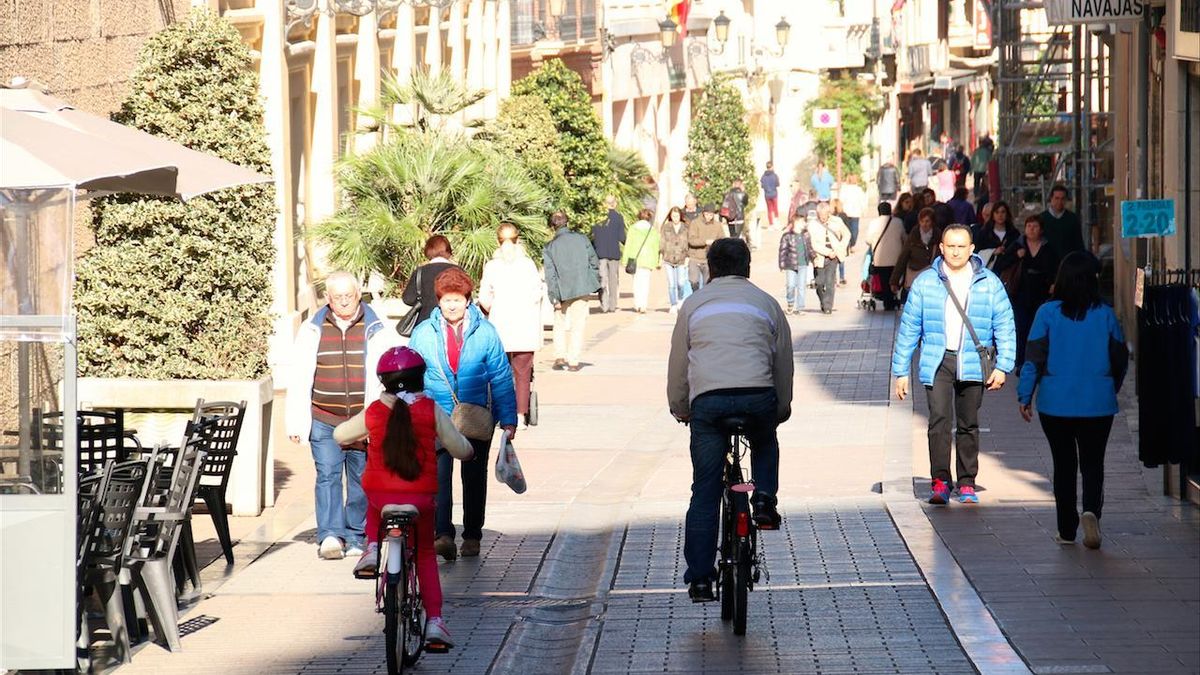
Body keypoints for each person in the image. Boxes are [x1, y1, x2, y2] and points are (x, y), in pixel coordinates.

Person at [667, 238, 794, 602]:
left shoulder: (693, 305)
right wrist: (780, 407)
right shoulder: (767, 304)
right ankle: (765, 499)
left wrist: (680, 405)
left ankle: (702, 579)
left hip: (708, 403)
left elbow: (679, 363)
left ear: (710, 268)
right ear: (747, 267)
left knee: (704, 491)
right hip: (757, 396)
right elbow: (782, 361)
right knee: (765, 440)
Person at [332, 347, 473, 647]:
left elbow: (340, 435)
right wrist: (469, 450)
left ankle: (371, 548)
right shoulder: (431, 410)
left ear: (383, 381)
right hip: (420, 500)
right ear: (420, 378)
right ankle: (434, 621)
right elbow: (459, 447)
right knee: (423, 556)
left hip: (382, 499)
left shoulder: (374, 412)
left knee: (372, 496)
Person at [892, 224, 1017, 505]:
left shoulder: (989, 282)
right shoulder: (926, 282)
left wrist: (1003, 365)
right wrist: (900, 371)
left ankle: (967, 482)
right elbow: (909, 327)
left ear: (972, 249)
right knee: (938, 421)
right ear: (942, 247)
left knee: (968, 423)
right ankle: (940, 481)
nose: (956, 251)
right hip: (938, 360)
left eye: (962, 246)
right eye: (950, 246)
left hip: (973, 360)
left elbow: (1005, 324)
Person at [285, 271, 400, 560]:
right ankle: (330, 535)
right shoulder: (313, 329)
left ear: (359, 294)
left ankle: (356, 534)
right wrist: (296, 421)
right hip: (324, 416)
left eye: (349, 295)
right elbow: (299, 376)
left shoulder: (378, 327)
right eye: (338, 297)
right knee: (328, 475)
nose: (344, 302)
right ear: (328, 299)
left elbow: (389, 376)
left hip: (363, 419)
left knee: (361, 478)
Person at [1018, 252, 1127, 549]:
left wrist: (1025, 395)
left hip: (1055, 403)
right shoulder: (1105, 314)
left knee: (1063, 464)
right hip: (1098, 402)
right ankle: (1091, 511)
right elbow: (1120, 358)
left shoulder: (1047, 313)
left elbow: (1033, 359)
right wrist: (1109, 387)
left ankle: (1066, 529)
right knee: (1093, 462)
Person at [408, 268, 518, 561]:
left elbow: (501, 376)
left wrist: (509, 418)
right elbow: (412, 376)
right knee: (438, 476)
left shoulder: (486, 333)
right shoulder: (422, 333)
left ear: (468, 300)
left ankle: (472, 535)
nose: (452, 305)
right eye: (446, 300)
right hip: (437, 415)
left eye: (457, 299)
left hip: (475, 414)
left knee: (473, 477)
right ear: (439, 301)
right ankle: (443, 533)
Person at [478, 223, 543, 427]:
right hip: (525, 326)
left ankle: (502, 415)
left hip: (500, 326)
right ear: (518, 239)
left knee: (500, 373)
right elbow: (537, 294)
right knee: (523, 373)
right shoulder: (528, 265)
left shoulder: (492, 266)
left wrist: (493, 310)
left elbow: (484, 298)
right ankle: (521, 415)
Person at [543, 211, 600, 372]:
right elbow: (593, 261)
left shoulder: (550, 247)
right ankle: (573, 360)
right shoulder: (582, 239)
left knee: (559, 323)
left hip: (561, 291)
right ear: (567, 222)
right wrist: (591, 281)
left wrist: (554, 297)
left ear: (553, 226)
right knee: (578, 325)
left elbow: (550, 274)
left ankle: (560, 355)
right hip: (582, 287)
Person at [1001, 215, 1059, 368]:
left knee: (1041, 327)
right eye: (1029, 226)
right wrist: (1015, 256)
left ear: (1041, 229)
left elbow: (1055, 267)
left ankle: (1041, 361)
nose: (1032, 230)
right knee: (1022, 327)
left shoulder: (1048, 247)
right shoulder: (1018, 245)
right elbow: (1003, 264)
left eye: (1035, 226)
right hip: (1021, 292)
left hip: (1042, 293)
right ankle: (1021, 362)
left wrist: (1053, 283)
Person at [402, 235, 464, 327]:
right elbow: (467, 298)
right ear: (448, 251)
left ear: (428, 251)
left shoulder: (420, 272)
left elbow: (408, 299)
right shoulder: (458, 271)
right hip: (452, 324)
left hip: (425, 324)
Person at [808, 202, 851, 314]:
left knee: (830, 281)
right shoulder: (813, 224)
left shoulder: (837, 221)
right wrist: (827, 252)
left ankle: (828, 306)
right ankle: (823, 301)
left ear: (828, 213)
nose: (822, 217)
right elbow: (813, 244)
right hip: (819, 257)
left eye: (824, 214)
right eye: (820, 215)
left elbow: (847, 234)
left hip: (834, 256)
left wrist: (840, 248)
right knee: (819, 282)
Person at [891, 208, 941, 299]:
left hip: (932, 278)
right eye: (922, 221)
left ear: (932, 222)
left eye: (927, 221)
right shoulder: (913, 236)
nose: (924, 224)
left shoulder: (938, 236)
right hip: (915, 276)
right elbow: (903, 258)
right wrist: (894, 280)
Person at [865, 202, 905, 311]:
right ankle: (892, 298)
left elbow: (868, 240)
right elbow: (904, 238)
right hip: (896, 258)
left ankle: (888, 302)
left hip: (880, 259)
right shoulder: (898, 222)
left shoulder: (874, 223)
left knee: (884, 281)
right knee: (894, 280)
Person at [592, 195, 626, 313]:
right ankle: (612, 305)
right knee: (613, 279)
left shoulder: (597, 218)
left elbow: (592, 235)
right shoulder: (618, 217)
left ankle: (604, 304)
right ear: (615, 203)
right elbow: (622, 237)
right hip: (614, 253)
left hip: (600, 253)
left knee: (602, 279)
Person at [625, 208, 661, 313]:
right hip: (648, 259)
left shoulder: (633, 229)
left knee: (636, 283)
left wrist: (625, 259)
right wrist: (657, 261)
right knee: (645, 283)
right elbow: (656, 247)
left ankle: (637, 304)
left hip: (635, 258)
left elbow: (628, 245)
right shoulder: (653, 230)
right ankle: (643, 305)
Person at [660, 206, 692, 313]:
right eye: (673, 216)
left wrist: (688, 256)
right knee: (671, 283)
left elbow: (688, 243)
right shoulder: (666, 227)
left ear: (680, 216)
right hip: (668, 258)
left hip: (682, 258)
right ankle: (673, 304)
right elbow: (662, 242)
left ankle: (680, 299)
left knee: (680, 283)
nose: (675, 218)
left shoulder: (686, 227)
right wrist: (660, 257)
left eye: (677, 216)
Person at [1040, 185, 1085, 259]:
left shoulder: (1072, 218)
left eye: (1062, 199)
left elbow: (1078, 243)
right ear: (1051, 199)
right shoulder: (1041, 218)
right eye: (1056, 198)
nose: (1059, 202)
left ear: (1066, 200)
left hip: (1067, 262)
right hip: (1047, 262)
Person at [687, 204, 725, 291]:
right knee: (694, 281)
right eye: (707, 214)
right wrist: (705, 242)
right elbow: (691, 240)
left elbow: (722, 240)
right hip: (695, 258)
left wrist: (715, 244)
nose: (709, 217)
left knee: (707, 284)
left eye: (711, 215)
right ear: (703, 213)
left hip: (709, 259)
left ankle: (705, 301)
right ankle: (696, 297)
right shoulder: (695, 223)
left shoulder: (717, 225)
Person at [972, 199, 1019, 270]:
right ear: (993, 215)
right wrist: (993, 252)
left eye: (1003, 212)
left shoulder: (1014, 233)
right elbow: (977, 252)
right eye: (997, 212)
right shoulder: (984, 233)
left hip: (1010, 272)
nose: (1000, 215)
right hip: (990, 270)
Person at [778, 215, 809, 314]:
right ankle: (790, 302)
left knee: (801, 286)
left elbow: (809, 248)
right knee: (790, 285)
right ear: (797, 223)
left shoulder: (806, 235)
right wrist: (782, 264)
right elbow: (783, 251)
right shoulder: (787, 236)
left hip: (803, 264)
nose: (805, 224)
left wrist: (814, 258)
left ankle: (800, 307)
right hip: (790, 264)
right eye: (803, 222)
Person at [831, 197, 853, 286]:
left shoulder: (831, 217)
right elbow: (848, 229)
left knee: (834, 261)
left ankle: (835, 279)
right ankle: (842, 277)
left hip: (833, 241)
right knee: (841, 260)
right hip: (842, 241)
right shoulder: (844, 215)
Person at [971, 137, 994, 202]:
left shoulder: (976, 151)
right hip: (984, 170)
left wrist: (970, 170)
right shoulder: (987, 152)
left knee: (976, 184)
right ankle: (983, 196)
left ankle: (976, 196)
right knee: (985, 184)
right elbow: (991, 160)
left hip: (976, 170)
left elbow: (972, 160)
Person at [760, 162, 781, 227]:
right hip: (774, 194)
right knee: (775, 208)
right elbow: (777, 184)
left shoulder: (763, 176)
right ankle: (776, 223)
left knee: (769, 210)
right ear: (772, 167)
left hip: (767, 195)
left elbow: (762, 186)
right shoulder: (774, 176)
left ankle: (771, 224)